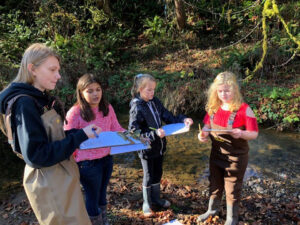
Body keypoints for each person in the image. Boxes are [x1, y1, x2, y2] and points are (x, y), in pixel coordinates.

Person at [0, 43, 101, 225]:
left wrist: (80, 133)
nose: (58, 75)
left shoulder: (40, 97)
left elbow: (50, 136)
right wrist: (79, 137)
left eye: (58, 70)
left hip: (59, 176)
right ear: (33, 69)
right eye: (52, 69)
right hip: (49, 182)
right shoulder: (25, 104)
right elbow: (36, 155)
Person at [197, 71, 258, 225]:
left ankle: (232, 218)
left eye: (227, 91)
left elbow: (254, 134)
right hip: (216, 155)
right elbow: (206, 127)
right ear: (215, 91)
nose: (223, 94)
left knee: (232, 188)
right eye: (220, 91)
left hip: (236, 157)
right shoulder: (213, 108)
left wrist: (242, 133)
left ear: (234, 90)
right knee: (215, 183)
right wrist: (202, 136)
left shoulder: (245, 109)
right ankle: (212, 210)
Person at [128, 73, 193, 216]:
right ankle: (146, 202)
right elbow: (134, 133)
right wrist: (154, 134)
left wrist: (183, 119)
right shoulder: (136, 107)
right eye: (148, 90)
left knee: (158, 173)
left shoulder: (155, 101)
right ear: (140, 89)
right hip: (146, 149)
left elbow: (168, 116)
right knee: (148, 175)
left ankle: (156, 199)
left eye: (153, 89)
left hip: (159, 146)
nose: (152, 93)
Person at [64, 73, 125, 225]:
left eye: (98, 89)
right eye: (89, 91)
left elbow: (116, 128)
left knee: (102, 195)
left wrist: (132, 137)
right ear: (81, 92)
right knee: (92, 197)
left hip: (106, 158)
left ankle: (103, 221)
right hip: (87, 164)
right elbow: (67, 140)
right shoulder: (74, 113)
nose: (95, 94)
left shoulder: (107, 107)